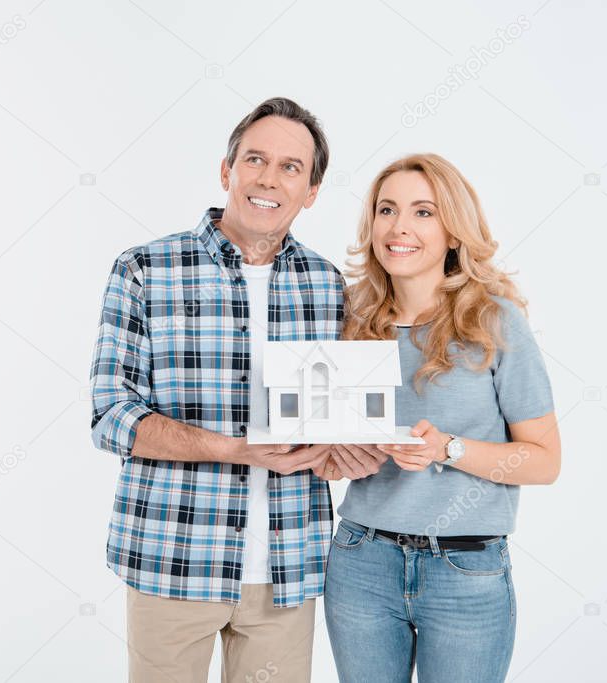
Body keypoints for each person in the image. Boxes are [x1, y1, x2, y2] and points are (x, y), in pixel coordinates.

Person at [89, 97, 345, 682]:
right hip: (173, 560)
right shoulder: (145, 270)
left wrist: (342, 453)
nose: (268, 178)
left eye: (291, 167)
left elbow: (339, 422)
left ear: (311, 191)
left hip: (287, 570)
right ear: (227, 170)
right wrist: (236, 449)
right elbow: (111, 417)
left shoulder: (330, 286)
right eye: (255, 158)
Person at [317, 153, 561, 683]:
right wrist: (336, 458)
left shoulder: (494, 321)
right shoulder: (353, 320)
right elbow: (340, 449)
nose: (399, 227)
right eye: (387, 209)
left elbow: (544, 461)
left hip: (465, 571)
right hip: (361, 563)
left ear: (454, 231)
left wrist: (447, 447)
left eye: (423, 212)